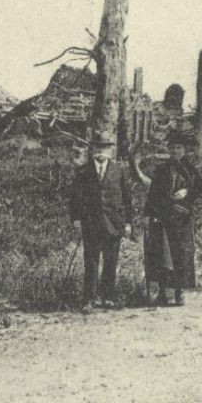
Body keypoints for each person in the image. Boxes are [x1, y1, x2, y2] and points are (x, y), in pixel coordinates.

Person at [68, 133, 138, 310]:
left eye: (104, 148)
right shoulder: (83, 171)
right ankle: (89, 300)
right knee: (91, 262)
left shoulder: (119, 170)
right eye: (97, 148)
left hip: (114, 224)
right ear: (92, 150)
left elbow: (128, 199)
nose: (101, 151)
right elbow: (74, 198)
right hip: (91, 223)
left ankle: (108, 297)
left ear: (110, 150)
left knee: (111, 261)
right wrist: (76, 219)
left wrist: (129, 223)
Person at [144, 126, 202, 306]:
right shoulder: (162, 169)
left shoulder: (191, 170)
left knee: (181, 256)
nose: (175, 151)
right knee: (162, 255)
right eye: (172, 148)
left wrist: (187, 192)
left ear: (185, 150)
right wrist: (147, 215)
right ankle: (163, 292)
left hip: (182, 219)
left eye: (179, 148)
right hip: (162, 218)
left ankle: (179, 292)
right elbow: (152, 194)